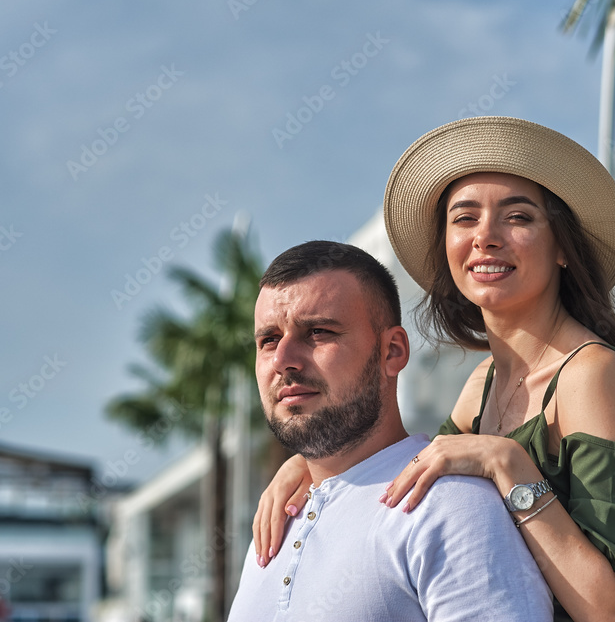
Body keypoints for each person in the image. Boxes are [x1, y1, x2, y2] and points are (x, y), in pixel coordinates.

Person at [254, 117, 615, 622]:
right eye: (465, 218)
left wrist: (508, 463)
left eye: (517, 217)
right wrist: (314, 467)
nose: (486, 238)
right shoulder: (481, 385)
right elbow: (415, 471)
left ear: (563, 247)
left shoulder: (591, 374)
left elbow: (606, 605)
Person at [228, 240, 553, 622]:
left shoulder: (450, 505)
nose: (282, 360)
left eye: (317, 332)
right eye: (268, 340)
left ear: (392, 351)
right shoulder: (274, 523)